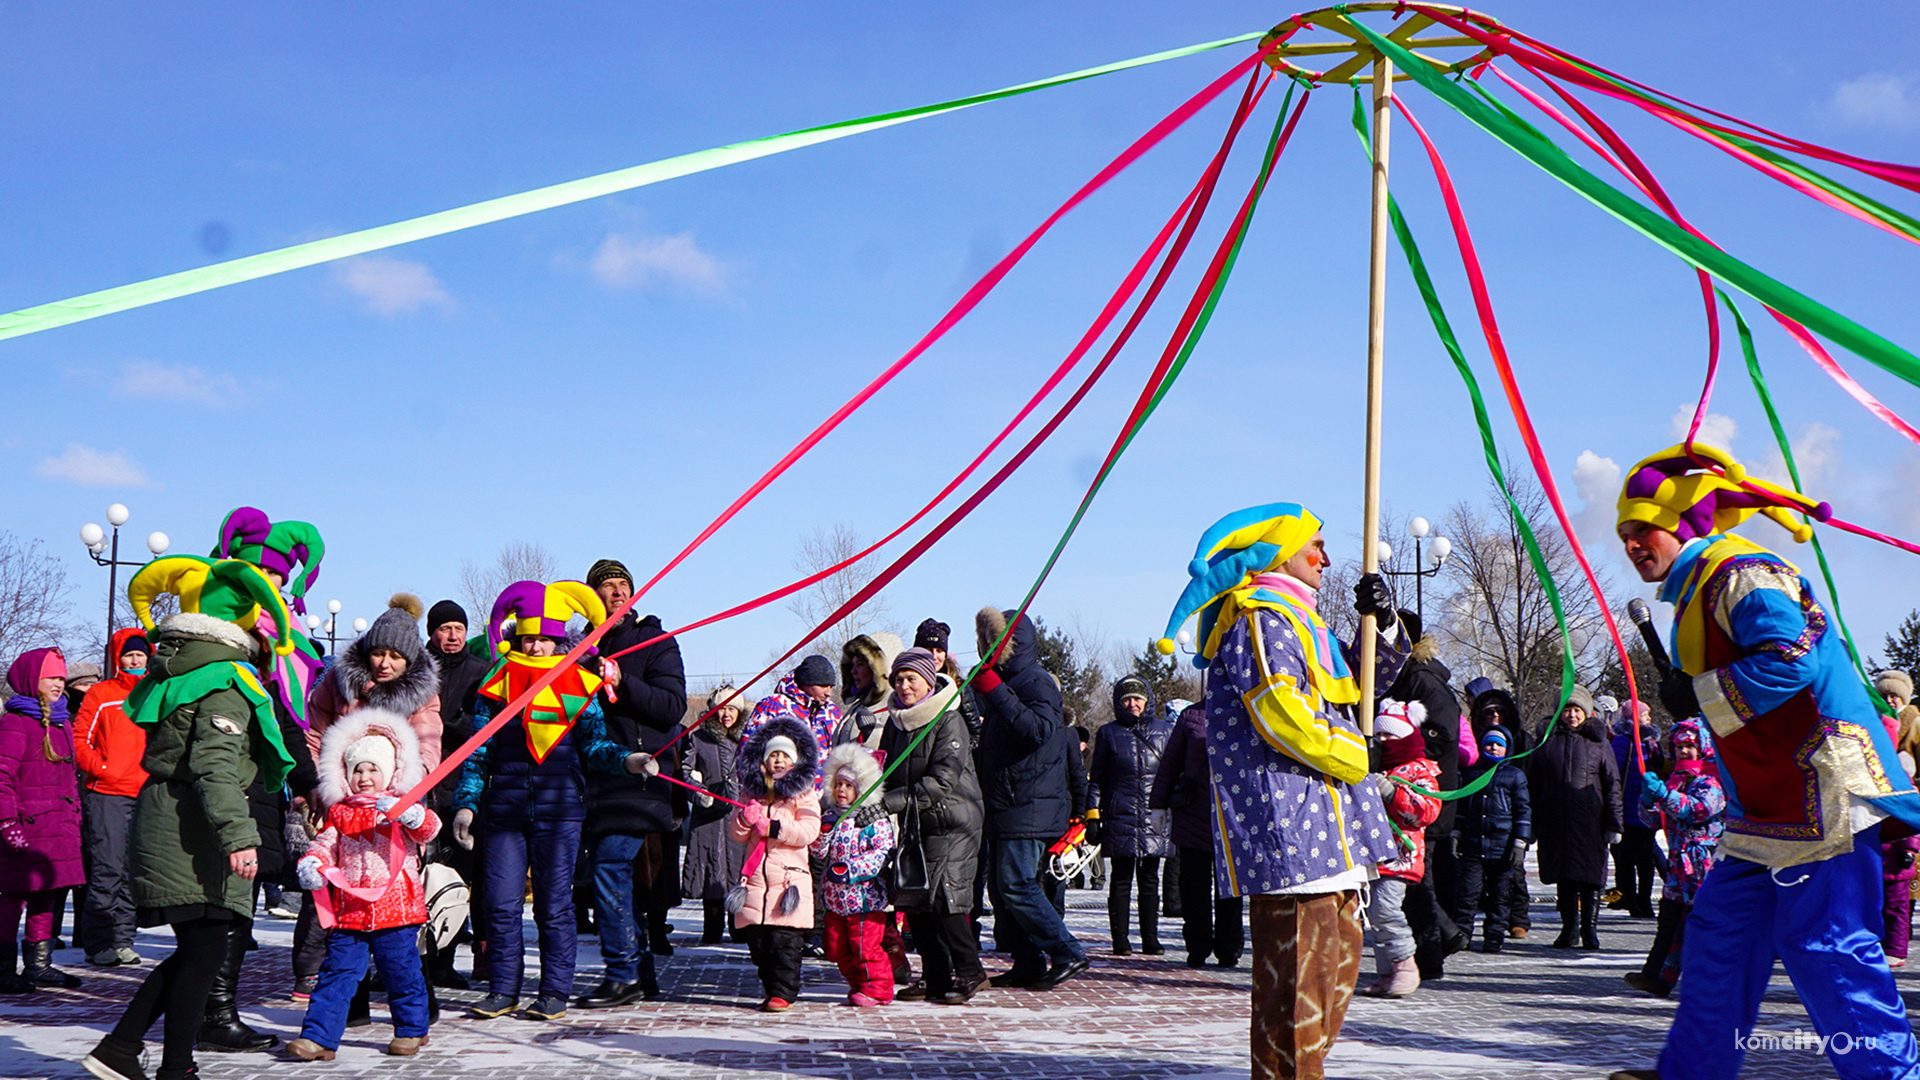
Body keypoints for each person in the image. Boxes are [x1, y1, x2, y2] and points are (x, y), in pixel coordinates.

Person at [1607, 444, 1920, 1080]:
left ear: (1685, 526)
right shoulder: (1699, 588)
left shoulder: (1740, 573)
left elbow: (1791, 656)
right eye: (1626, 535)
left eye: (1646, 529)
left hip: (1821, 792)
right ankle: (1693, 1072)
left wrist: (1696, 692)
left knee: (1827, 949)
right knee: (1719, 938)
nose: (1635, 544)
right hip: (1768, 807)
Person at [1154, 503, 1405, 1080]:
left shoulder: (1303, 621)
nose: (1326, 558)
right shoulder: (1261, 619)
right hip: (1293, 828)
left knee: (1334, 973)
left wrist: (1383, 624)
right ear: (1280, 555)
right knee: (1297, 992)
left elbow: (1360, 691)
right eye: (1315, 544)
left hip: (1331, 826)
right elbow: (1280, 710)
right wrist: (1356, 754)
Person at [83, 561, 297, 1080]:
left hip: (171, 815)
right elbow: (213, 765)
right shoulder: (226, 682)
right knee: (203, 950)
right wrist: (239, 837)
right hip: (192, 827)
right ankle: (151, 1057)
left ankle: (146, 1056)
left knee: (199, 952)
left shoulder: (180, 669)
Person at [451, 580, 649, 1023]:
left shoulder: (578, 685)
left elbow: (596, 747)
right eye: (528, 638)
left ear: (559, 640)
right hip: (502, 813)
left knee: (553, 906)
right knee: (498, 904)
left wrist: (630, 761)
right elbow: (477, 753)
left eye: (544, 639)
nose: (536, 647)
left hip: (560, 812)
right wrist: (466, 804)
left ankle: (554, 990)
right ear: (516, 638)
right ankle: (503, 990)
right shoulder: (496, 685)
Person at [295, 595, 443, 998]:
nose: (384, 663)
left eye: (395, 656)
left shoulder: (421, 694)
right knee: (340, 899)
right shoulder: (338, 680)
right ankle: (346, 997)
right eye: (378, 652)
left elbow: (428, 746)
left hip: (394, 808)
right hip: (343, 801)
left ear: (408, 660)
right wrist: (320, 784)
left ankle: (416, 997)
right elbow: (316, 732)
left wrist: (405, 795)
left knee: (401, 900)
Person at [285, 710, 441, 1059]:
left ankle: (412, 1029)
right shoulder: (339, 812)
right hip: (350, 912)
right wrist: (313, 863)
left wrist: (412, 814)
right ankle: (318, 1038)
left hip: (397, 911)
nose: (365, 776)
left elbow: (428, 830)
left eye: (373, 769)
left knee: (402, 974)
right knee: (336, 975)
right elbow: (325, 844)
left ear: (389, 773)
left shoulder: (401, 807)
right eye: (358, 769)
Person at [579, 558, 689, 1003]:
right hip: (598, 776)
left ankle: (623, 972)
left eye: (623, 584)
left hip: (643, 773)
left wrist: (622, 682)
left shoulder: (655, 640)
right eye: (605, 587)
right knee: (622, 875)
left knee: (609, 865)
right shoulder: (579, 650)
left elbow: (671, 707)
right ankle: (640, 973)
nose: (616, 592)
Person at [974, 605, 1089, 991]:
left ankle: (1066, 950)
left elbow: (1038, 730)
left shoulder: (1035, 681)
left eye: (995, 642)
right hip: (1006, 802)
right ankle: (1026, 962)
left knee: (1016, 883)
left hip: (1029, 801)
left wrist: (996, 691)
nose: (987, 648)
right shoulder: (1006, 683)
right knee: (1002, 893)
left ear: (1012, 644)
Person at [877, 647, 986, 1004]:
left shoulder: (947, 718)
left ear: (928, 681)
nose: (905, 686)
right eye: (899, 679)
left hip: (954, 818)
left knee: (946, 898)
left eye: (912, 679)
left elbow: (942, 781)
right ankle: (937, 976)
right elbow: (886, 773)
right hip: (916, 820)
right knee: (915, 899)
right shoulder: (896, 723)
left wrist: (888, 803)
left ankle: (970, 972)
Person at [0, 647, 83, 992]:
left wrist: (75, 820)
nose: (59, 684)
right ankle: (3, 969)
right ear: (32, 679)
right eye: (51, 677)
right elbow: (1, 777)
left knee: (46, 895)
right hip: (25, 827)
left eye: (62, 678)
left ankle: (39, 964)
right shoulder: (15, 723)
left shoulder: (62, 722)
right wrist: (8, 825)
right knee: (11, 898)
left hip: (56, 827)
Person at [1623, 718, 1726, 997]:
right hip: (1677, 868)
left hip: (1703, 869)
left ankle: (1710, 984)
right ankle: (1656, 977)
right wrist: (1646, 800)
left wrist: (1665, 795)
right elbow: (1653, 820)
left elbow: (1696, 810)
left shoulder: (1712, 780)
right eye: (1679, 746)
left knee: (1702, 928)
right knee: (1668, 924)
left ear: (1702, 747)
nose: (1683, 752)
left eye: (1689, 746)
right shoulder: (1676, 781)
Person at [729, 714, 823, 1011]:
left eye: (785, 756)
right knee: (759, 945)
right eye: (773, 755)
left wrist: (774, 827)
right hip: (755, 882)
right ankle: (770, 988)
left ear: (795, 762)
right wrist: (746, 817)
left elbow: (809, 831)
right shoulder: (751, 793)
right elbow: (736, 833)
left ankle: (784, 992)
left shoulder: (803, 795)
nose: (779, 761)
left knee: (785, 944)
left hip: (788, 883)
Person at [74, 630, 150, 969]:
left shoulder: (156, 693)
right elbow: (79, 739)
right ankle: (98, 942)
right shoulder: (101, 694)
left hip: (146, 793)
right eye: (128, 656)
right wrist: (102, 769)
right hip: (107, 793)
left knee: (133, 872)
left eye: (140, 655)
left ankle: (123, 940)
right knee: (107, 870)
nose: (135, 661)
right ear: (118, 659)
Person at [1526, 684, 1620, 951]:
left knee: (1590, 877)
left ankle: (1590, 930)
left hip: (1591, 820)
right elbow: (1534, 783)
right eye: (1567, 709)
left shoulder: (1599, 742)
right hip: (1555, 820)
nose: (1572, 715)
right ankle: (1569, 929)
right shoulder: (1545, 742)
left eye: (1577, 709)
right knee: (1564, 877)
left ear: (1587, 712)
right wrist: (1531, 823)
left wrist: (1614, 823)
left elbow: (1612, 783)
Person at [423, 599, 487, 988]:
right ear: (432, 632)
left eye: (458, 628)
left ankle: (444, 960)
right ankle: (409, 962)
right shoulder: (415, 669)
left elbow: (486, 725)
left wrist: (446, 724)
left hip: (462, 788)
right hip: (421, 785)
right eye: (444, 628)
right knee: (415, 877)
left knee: (455, 879)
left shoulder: (480, 671)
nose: (452, 636)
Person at [1149, 701, 1243, 968]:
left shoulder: (1247, 710)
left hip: (1233, 813)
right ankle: (1197, 946)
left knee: (1230, 889)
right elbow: (1171, 762)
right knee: (1193, 887)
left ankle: (1229, 948)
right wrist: (1158, 804)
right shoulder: (1191, 716)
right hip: (1193, 812)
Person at [1088, 674, 1173, 955]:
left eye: (1137, 698)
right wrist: (1093, 816)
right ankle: (1120, 939)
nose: (1132, 703)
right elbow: (1097, 779)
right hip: (1120, 813)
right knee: (1121, 878)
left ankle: (1150, 937)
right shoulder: (1108, 733)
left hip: (1153, 814)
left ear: (1147, 701)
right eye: (1126, 698)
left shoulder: (1164, 731)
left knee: (1150, 877)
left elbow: (1174, 774)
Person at [1362, 700, 1441, 999]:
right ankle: (1387, 972)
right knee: (1375, 914)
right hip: (1374, 854)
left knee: (1386, 910)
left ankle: (1406, 966)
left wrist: (1391, 792)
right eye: (1379, 736)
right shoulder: (1378, 767)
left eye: (1390, 735)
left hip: (1400, 856)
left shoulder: (1419, 771)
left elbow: (1427, 810)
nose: (1383, 741)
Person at [813, 742, 897, 1006]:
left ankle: (879, 988)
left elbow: (881, 853)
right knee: (835, 947)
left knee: (865, 946)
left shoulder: (873, 820)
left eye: (849, 786)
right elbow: (819, 853)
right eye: (838, 784)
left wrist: (852, 869)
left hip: (865, 898)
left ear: (861, 789)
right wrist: (823, 833)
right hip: (836, 899)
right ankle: (859, 983)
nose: (841, 791)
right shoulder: (833, 817)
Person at [1449, 727, 1530, 953]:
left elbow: (1523, 810)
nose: (1493, 748)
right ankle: (1462, 933)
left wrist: (1520, 841)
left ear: (1507, 749)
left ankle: (1494, 935)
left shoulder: (1515, 775)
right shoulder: (1472, 774)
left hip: (1502, 847)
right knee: (1467, 893)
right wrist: (1456, 832)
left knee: (1500, 895)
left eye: (1498, 744)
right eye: (1488, 743)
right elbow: (1462, 808)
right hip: (1474, 846)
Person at [684, 685, 749, 945]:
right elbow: (686, 773)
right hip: (707, 815)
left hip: (739, 816)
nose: (726, 714)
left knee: (737, 872)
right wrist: (698, 792)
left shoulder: (747, 739)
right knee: (710, 870)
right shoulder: (698, 738)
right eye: (722, 708)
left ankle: (739, 929)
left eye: (732, 708)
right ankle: (711, 931)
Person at [1469, 687, 1532, 938]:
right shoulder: (1472, 740)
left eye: (1500, 711)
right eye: (1488, 712)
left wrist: (1526, 826)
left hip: (1511, 814)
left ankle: (1518, 919)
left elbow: (1531, 782)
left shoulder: (1522, 740)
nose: (1494, 715)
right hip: (1478, 815)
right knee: (1472, 877)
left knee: (1514, 871)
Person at [1609, 701, 1664, 919]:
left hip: (1646, 809)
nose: (1649, 718)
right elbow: (1614, 771)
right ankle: (1631, 901)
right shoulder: (1623, 741)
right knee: (1625, 860)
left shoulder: (1651, 742)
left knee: (1646, 860)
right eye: (1645, 714)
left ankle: (1645, 900)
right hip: (1626, 808)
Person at [742, 655, 841, 756]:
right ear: (806, 682)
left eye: (831, 687)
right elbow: (747, 754)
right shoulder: (772, 707)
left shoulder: (833, 713)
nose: (828, 692)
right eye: (823, 686)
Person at [914, 619, 981, 745]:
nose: (934, 656)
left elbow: (976, 733)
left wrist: (958, 752)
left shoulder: (958, 686)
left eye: (939, 651)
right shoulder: (906, 685)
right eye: (929, 650)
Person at [835, 633, 903, 746]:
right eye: (852, 665)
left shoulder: (894, 706)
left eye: (860, 664)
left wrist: (870, 733)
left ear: (878, 669)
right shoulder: (859, 705)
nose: (853, 671)